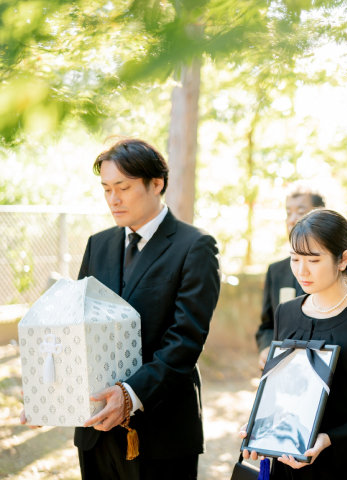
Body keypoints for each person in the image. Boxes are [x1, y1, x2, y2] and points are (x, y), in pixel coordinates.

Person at [21, 138, 220, 480]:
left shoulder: (195, 246)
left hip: (161, 430)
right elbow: (74, 326)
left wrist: (130, 395)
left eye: (123, 187)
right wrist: (46, 391)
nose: (113, 199)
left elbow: (186, 339)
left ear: (156, 184)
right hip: (94, 429)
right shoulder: (98, 243)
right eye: (106, 188)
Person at [240, 208, 347, 479]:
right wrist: (260, 427)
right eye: (295, 259)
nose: (301, 270)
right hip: (287, 467)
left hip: (344, 467)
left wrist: (330, 439)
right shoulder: (286, 311)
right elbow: (279, 390)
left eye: (313, 260)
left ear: (342, 259)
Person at [255, 182, 347, 369]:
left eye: (300, 213)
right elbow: (267, 324)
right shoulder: (276, 271)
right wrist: (266, 348)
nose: (293, 220)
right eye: (288, 213)